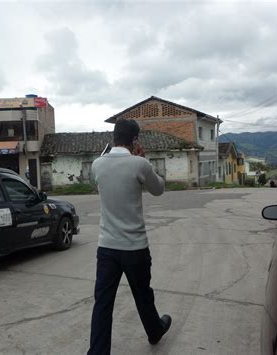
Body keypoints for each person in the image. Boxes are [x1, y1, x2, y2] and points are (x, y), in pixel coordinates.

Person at [88, 119, 171, 354]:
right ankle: (154, 330)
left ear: (114, 137)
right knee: (143, 295)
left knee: (102, 304)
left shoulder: (97, 165)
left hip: (106, 248)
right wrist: (145, 161)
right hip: (135, 248)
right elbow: (159, 189)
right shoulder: (140, 164)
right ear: (135, 140)